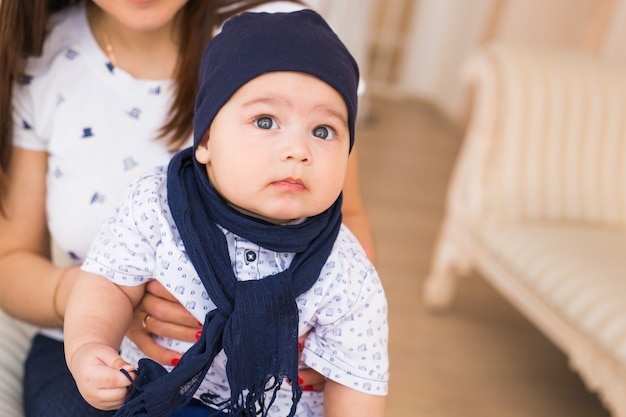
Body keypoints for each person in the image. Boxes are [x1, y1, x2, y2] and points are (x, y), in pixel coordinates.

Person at [0, 0, 377, 416]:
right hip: (115, 357)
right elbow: (12, 259)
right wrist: (105, 304)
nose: (297, 151)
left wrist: (320, 337)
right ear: (204, 143)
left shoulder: (285, 36)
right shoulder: (156, 204)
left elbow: (346, 237)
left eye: (321, 131)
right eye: (266, 122)